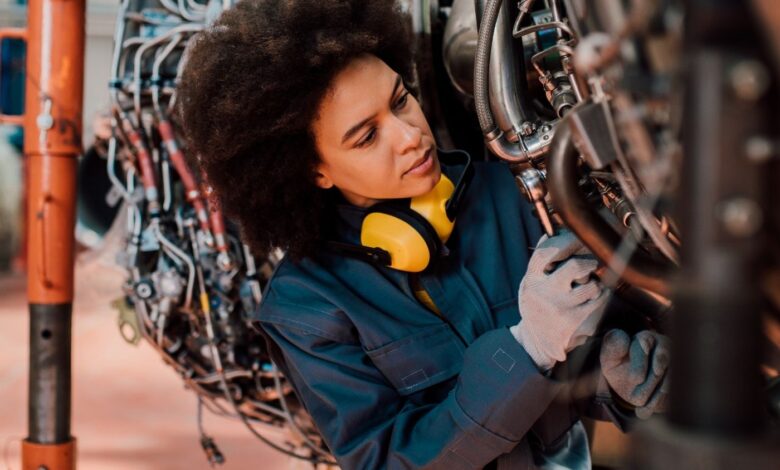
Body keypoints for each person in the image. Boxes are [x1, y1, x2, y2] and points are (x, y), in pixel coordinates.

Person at [177, 1, 670, 468]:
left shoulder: (512, 195)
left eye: (400, 100)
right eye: (366, 136)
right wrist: (526, 351)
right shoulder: (305, 310)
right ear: (314, 170)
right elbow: (386, 458)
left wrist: (618, 385)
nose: (409, 135)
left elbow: (585, 368)